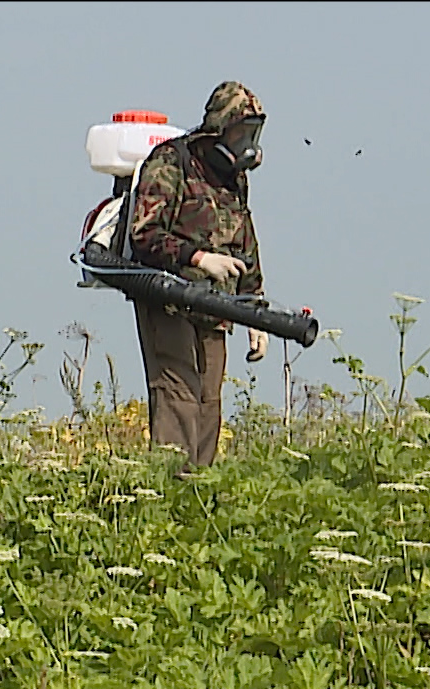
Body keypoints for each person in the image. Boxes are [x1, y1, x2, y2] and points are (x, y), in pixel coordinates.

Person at [127, 80, 270, 472]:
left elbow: (245, 240)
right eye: (242, 132)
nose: (248, 143)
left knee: (208, 405)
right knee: (179, 400)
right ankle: (170, 496)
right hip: (168, 302)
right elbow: (144, 235)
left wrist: (256, 310)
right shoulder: (171, 163)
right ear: (219, 130)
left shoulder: (235, 179)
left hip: (216, 308)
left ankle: (200, 501)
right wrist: (199, 257)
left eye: (253, 133)